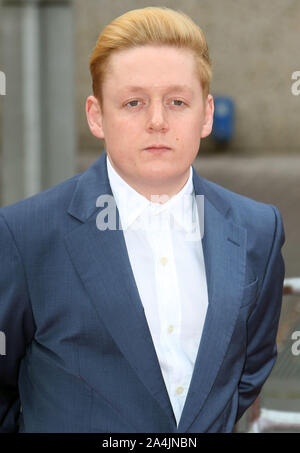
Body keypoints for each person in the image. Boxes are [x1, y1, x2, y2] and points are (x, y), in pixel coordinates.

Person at [0, 7, 285, 433]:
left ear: (206, 114)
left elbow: (248, 370)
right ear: (97, 115)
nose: (157, 121)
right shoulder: (25, 235)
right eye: (134, 102)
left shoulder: (258, 230)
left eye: (177, 102)